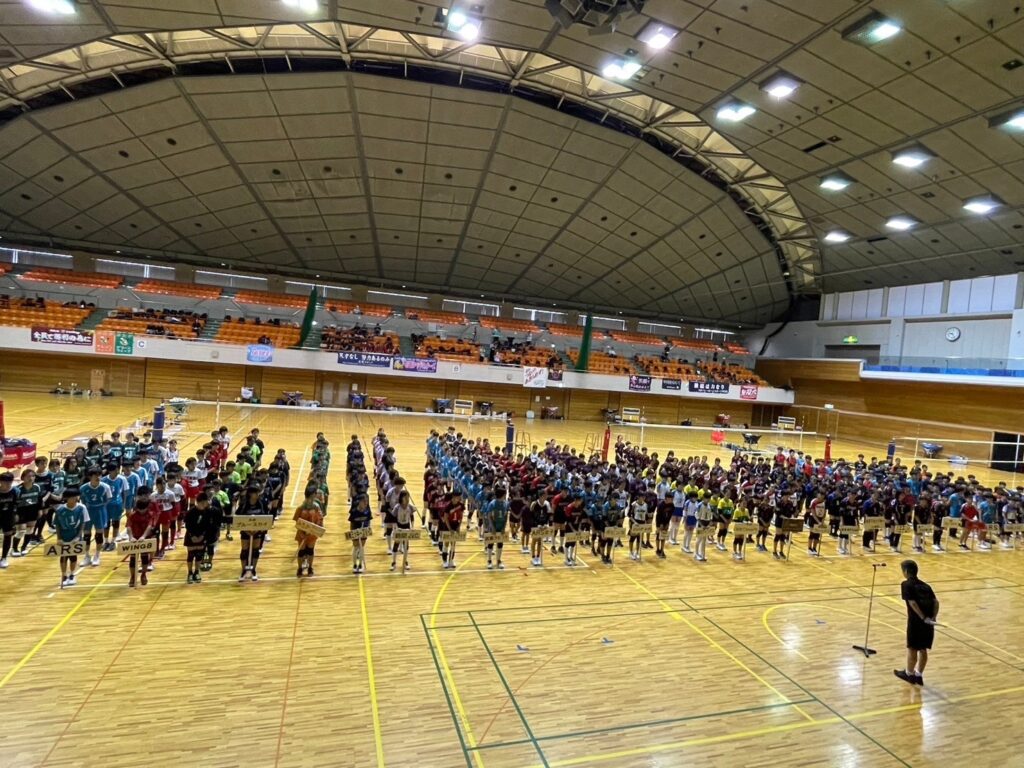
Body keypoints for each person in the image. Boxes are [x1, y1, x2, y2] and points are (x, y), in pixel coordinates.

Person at [894, 560, 939, 686]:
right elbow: (936, 602)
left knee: (912, 648)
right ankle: (919, 675)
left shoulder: (906, 584)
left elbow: (912, 603)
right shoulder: (926, 586)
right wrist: (932, 618)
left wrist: (922, 617)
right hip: (929, 623)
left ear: (906, 572)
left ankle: (909, 674)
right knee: (923, 649)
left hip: (916, 622)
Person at [54, 488, 88, 588]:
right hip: (64, 536)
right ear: (67, 498)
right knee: (63, 556)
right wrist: (59, 538)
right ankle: (64, 575)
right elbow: (57, 525)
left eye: (76, 496)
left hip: (75, 536)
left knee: (73, 556)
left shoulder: (82, 508)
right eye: (73, 497)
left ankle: (72, 574)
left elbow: (83, 523)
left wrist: (78, 537)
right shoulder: (60, 510)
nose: (75, 498)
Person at [80, 467, 112, 566]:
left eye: (99, 475)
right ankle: (86, 556)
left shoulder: (105, 487)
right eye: (95, 475)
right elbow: (82, 500)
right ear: (90, 477)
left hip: (100, 511)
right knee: (86, 535)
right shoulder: (83, 488)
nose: (98, 477)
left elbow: (109, 499)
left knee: (99, 535)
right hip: (88, 511)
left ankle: (97, 556)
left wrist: (101, 506)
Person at [294, 485, 324, 578]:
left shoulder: (316, 507)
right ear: (312, 495)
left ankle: (310, 567)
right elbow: (297, 522)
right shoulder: (300, 508)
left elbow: (320, 519)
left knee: (310, 550)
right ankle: (300, 568)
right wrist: (301, 533)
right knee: (301, 551)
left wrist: (317, 529)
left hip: (312, 534)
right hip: (302, 534)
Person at [183, 493, 212, 584]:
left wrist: (202, 536)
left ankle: (197, 572)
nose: (207, 503)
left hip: (201, 536)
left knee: (199, 555)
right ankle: (190, 573)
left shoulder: (207, 512)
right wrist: (192, 536)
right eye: (206, 501)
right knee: (191, 555)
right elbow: (188, 525)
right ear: (201, 502)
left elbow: (207, 525)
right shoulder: (190, 512)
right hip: (191, 537)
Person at [348, 493, 372, 574]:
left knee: (362, 548)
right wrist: (352, 533)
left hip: (364, 531)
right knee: (356, 547)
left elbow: (369, 521)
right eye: (364, 501)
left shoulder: (368, 510)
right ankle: (355, 565)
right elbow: (351, 523)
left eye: (367, 501)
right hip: (355, 530)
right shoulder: (354, 511)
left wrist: (367, 529)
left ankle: (360, 565)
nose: (366, 503)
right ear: (359, 502)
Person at [0, 472, 17, 568]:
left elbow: (17, 504)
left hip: (8, 517)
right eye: (5, 482)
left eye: (10, 482)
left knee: (8, 536)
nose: (8, 484)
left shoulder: (15, 491)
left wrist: (16, 516)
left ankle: (4, 558)